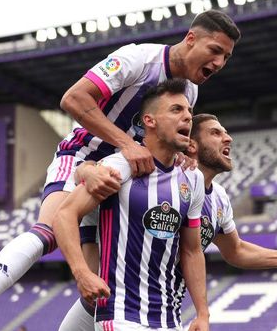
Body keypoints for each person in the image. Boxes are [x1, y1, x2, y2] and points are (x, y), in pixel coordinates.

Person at [0, 10, 240, 331]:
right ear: (191, 39)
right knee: (50, 232)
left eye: (226, 57)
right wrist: (125, 143)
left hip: (120, 179)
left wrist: (184, 155)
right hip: (83, 157)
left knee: (101, 289)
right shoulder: (137, 59)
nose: (220, 63)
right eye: (215, 50)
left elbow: (166, 142)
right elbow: (74, 98)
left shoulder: (189, 91)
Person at [58, 113, 277, 331]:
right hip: (111, 303)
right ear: (191, 145)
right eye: (216, 133)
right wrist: (87, 169)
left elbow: (235, 250)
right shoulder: (152, 173)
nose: (227, 138)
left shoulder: (219, 199)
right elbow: (96, 178)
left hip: (161, 314)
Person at [54, 79, 208, 331]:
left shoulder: (192, 177)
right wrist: (82, 273)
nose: (188, 117)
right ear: (149, 121)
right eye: (176, 110)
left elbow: (192, 251)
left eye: (189, 111)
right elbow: (65, 214)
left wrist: (203, 313)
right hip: (121, 315)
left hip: (169, 320)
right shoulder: (120, 166)